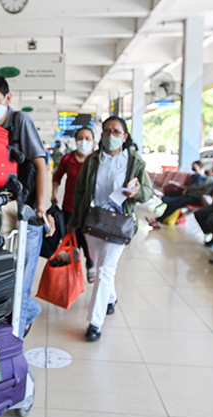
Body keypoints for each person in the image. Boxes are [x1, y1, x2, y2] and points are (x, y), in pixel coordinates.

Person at [0, 73, 54, 338]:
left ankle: (15, 341)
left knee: (19, 285)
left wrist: (42, 209)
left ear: (8, 98)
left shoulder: (20, 121)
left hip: (24, 215)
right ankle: (25, 315)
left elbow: (40, 164)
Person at [69, 116, 153, 342]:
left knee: (105, 270)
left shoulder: (134, 161)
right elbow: (80, 192)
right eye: (106, 131)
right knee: (99, 267)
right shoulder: (93, 160)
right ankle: (110, 298)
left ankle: (95, 323)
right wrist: (74, 222)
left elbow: (148, 191)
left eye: (116, 132)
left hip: (120, 222)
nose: (111, 136)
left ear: (124, 137)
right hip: (93, 221)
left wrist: (136, 193)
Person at [52, 127, 96, 282]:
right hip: (69, 207)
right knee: (71, 239)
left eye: (87, 138)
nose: (83, 141)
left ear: (93, 142)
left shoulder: (97, 160)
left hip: (91, 209)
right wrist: (53, 195)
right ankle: (72, 273)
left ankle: (90, 263)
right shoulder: (68, 159)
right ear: (75, 140)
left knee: (87, 238)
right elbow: (56, 178)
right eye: (80, 138)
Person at [147, 161, 213, 228]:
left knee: (175, 204)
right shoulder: (204, 177)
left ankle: (158, 220)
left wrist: (186, 188)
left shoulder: (210, 178)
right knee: (173, 203)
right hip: (192, 196)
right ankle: (158, 220)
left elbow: (196, 186)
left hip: (196, 198)